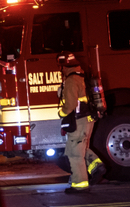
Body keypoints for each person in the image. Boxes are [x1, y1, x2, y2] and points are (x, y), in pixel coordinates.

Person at [57, 53, 105, 194]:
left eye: (61, 67)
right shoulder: (83, 77)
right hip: (87, 120)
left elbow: (70, 105)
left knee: (75, 153)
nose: (61, 70)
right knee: (81, 147)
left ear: (64, 67)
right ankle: (97, 166)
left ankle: (80, 185)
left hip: (78, 121)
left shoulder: (72, 80)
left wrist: (61, 113)